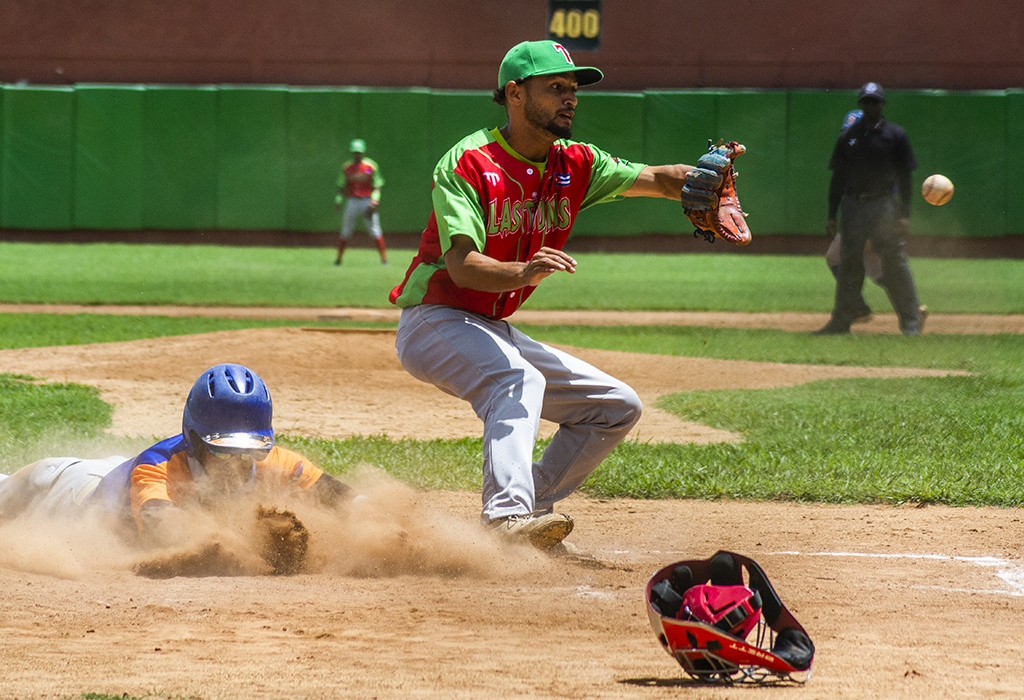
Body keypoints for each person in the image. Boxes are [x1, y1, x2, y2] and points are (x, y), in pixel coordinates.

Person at [388, 40, 712, 551]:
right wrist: (523, 271)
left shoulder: (576, 162)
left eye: (574, 90)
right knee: (517, 380)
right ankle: (505, 517)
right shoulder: (470, 162)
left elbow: (655, 179)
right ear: (515, 94)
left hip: (491, 326)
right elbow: (462, 267)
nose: (570, 98)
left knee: (614, 407)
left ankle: (531, 510)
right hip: (435, 320)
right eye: (556, 87)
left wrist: (702, 182)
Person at [0, 363, 354, 547]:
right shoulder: (155, 469)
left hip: (113, 474)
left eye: (248, 450)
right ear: (195, 439)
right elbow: (162, 530)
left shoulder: (274, 461)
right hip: (76, 492)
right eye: (223, 449)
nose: (237, 462)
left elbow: (339, 496)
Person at [815, 82, 924, 336]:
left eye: (875, 101)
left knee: (894, 262)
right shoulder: (848, 137)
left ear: (882, 104)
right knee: (850, 264)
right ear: (860, 105)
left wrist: (905, 215)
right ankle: (840, 323)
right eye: (866, 101)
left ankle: (911, 324)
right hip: (853, 204)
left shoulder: (895, 136)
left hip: (884, 204)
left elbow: (906, 178)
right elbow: (837, 179)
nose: (871, 106)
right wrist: (832, 214)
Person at [335, 138, 388, 266]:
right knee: (346, 230)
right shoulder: (347, 167)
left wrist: (375, 200)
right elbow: (341, 186)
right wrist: (338, 200)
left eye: (359, 152)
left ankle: (384, 259)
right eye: (355, 152)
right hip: (351, 201)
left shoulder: (370, 166)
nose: (357, 154)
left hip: (366, 202)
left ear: (363, 152)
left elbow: (377, 185)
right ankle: (338, 259)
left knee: (375, 231)